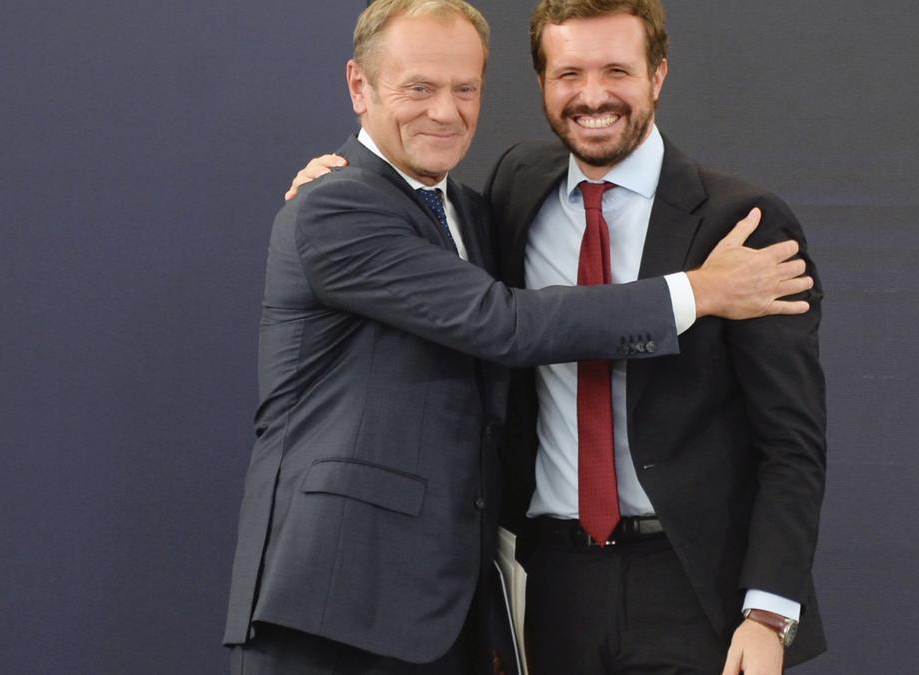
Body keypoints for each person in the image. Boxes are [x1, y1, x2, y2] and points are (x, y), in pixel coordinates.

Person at [229, 0, 815, 673]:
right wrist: (698, 291)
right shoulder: (338, 204)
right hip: (339, 604)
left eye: (464, 89)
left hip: (613, 599)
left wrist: (769, 609)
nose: (444, 112)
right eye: (418, 87)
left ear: (658, 75)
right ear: (359, 87)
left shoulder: (487, 210)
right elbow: (504, 322)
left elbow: (792, 438)